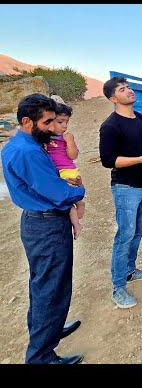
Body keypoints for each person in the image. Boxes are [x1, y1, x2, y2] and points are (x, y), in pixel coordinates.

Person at [1, 94, 85, 364]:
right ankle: (41, 356)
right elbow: (59, 193)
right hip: (47, 225)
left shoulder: (21, 144)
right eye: (47, 122)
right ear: (27, 121)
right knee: (52, 288)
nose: (52, 128)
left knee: (43, 284)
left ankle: (49, 329)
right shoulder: (27, 151)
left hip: (39, 222)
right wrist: (79, 190)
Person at [99, 77, 142, 309]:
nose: (129, 91)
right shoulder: (110, 126)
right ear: (113, 98)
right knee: (125, 235)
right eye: (123, 90)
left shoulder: (140, 119)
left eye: (129, 88)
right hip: (126, 187)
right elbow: (108, 160)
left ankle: (130, 270)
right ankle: (118, 287)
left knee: (138, 230)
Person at [45, 103, 85, 239]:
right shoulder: (44, 137)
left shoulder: (66, 137)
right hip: (55, 172)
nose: (64, 126)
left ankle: (77, 218)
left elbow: (73, 156)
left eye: (66, 122)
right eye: (60, 122)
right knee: (66, 204)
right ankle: (76, 222)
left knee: (66, 201)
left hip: (67, 170)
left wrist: (70, 141)